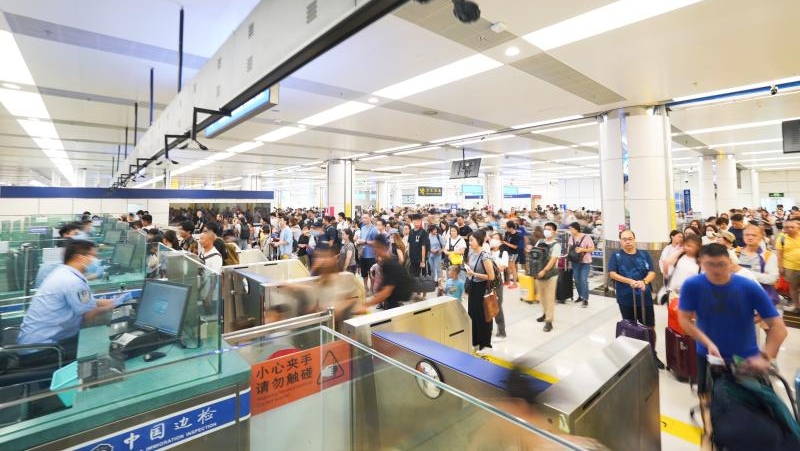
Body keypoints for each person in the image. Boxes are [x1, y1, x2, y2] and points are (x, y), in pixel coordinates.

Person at [678, 243, 787, 395]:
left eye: (721, 264)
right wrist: (707, 342)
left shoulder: (748, 286)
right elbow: (684, 319)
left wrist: (765, 357)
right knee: (708, 399)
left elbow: (778, 328)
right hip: (708, 356)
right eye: (710, 264)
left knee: (749, 404)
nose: (716, 270)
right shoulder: (692, 286)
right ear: (701, 263)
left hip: (746, 359)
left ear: (730, 262)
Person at [17, 240, 129, 366]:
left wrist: (112, 300)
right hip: (43, 352)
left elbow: (85, 302)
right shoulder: (73, 281)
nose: (95, 260)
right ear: (79, 258)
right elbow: (89, 315)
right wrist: (113, 306)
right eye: (92, 256)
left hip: (32, 345)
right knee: (101, 350)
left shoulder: (63, 272)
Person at [608, 229, 664, 369]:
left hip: (644, 297)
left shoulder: (644, 254)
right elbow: (612, 274)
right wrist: (630, 281)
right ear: (620, 241)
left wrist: (644, 282)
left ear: (634, 239)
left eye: (630, 238)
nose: (627, 241)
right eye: (624, 239)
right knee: (630, 326)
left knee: (649, 326)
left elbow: (652, 272)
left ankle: (652, 353)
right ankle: (631, 354)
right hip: (625, 298)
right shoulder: (616, 256)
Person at [356, 234, 411, 312]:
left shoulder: (390, 264)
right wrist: (365, 242)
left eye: (376, 247)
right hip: (392, 299)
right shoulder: (385, 261)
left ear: (382, 247)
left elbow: (386, 292)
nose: (374, 250)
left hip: (397, 300)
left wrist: (366, 305)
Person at [464, 230, 496, 354]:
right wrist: (469, 271)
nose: (469, 242)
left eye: (472, 240)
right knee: (473, 313)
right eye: (469, 240)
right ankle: (475, 341)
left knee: (483, 315)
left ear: (479, 241)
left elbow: (491, 276)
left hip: (483, 288)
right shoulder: (472, 253)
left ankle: (485, 343)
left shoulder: (485, 256)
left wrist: (474, 274)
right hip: (473, 286)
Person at [534, 222, 561, 332]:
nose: (546, 231)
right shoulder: (540, 242)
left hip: (550, 275)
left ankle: (549, 321)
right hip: (538, 273)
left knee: (549, 298)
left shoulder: (556, 245)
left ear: (554, 232)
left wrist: (544, 270)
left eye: (549, 229)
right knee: (542, 297)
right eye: (545, 229)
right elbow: (534, 254)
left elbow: (553, 260)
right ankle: (545, 313)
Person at [567, 221, 594, 308]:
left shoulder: (586, 237)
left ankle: (585, 299)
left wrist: (582, 250)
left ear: (576, 229)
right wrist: (569, 256)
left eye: (571, 229)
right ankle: (580, 296)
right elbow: (569, 248)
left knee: (583, 279)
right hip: (575, 262)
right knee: (577, 280)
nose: (570, 231)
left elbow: (592, 248)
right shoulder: (571, 237)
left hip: (585, 262)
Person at [489, 233, 509, 340]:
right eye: (493, 238)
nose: (494, 240)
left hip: (497, 282)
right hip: (487, 282)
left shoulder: (503, 253)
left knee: (497, 306)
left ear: (501, 242)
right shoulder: (488, 252)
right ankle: (488, 329)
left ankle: (501, 331)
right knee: (488, 305)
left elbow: (502, 267)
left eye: (497, 239)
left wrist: (490, 268)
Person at [778, 219, 800, 312]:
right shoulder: (781, 238)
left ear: (798, 227)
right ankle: (797, 306)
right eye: (787, 227)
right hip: (790, 268)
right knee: (793, 288)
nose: (789, 229)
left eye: (792, 227)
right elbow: (779, 254)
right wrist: (780, 267)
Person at [407, 214, 430, 300]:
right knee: (414, 277)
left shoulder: (423, 232)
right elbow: (409, 244)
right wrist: (409, 256)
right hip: (412, 259)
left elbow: (424, 247)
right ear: (412, 221)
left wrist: (423, 261)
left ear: (421, 221)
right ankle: (416, 294)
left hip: (421, 259)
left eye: (418, 221)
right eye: (415, 221)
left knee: (423, 277)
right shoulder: (411, 231)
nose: (417, 222)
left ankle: (424, 296)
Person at [357, 214, 378, 292]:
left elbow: (376, 242)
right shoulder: (362, 228)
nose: (364, 219)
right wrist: (358, 241)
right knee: (364, 273)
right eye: (363, 218)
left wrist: (365, 241)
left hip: (371, 255)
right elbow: (361, 238)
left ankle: (372, 288)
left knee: (371, 273)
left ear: (370, 218)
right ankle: (365, 287)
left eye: (366, 218)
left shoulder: (374, 229)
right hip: (362, 254)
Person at [502, 221, 521, 289]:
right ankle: (508, 281)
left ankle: (515, 284)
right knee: (507, 267)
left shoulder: (517, 235)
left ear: (511, 228)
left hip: (513, 253)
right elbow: (504, 240)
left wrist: (506, 243)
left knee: (512, 268)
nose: (506, 229)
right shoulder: (507, 233)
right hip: (507, 252)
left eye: (507, 228)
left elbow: (515, 246)